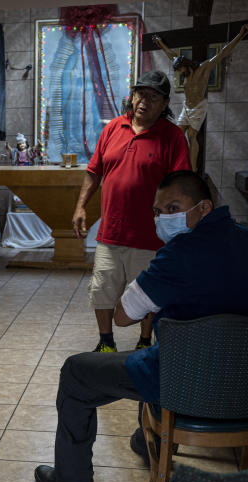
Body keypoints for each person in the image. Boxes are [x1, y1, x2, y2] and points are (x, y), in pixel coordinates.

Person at [35, 171, 248, 482]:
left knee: (77, 371)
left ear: (203, 208)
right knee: (150, 353)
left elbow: (121, 316)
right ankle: (147, 440)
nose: (163, 218)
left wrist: (153, 296)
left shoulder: (178, 254)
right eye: (159, 211)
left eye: (173, 207)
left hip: (187, 381)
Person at [72, 70, 192, 354]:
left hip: (150, 236)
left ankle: (144, 340)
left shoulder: (172, 137)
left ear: (164, 104)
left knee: (148, 293)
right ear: (132, 96)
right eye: (140, 93)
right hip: (110, 231)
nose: (143, 101)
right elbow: (93, 172)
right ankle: (106, 341)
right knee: (101, 289)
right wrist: (80, 207)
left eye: (153, 97)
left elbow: (181, 184)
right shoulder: (113, 127)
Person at [153, 23, 248, 171]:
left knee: (192, 136)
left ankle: (193, 171)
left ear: (186, 66)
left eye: (180, 70)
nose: (180, 73)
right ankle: (177, 166)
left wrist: (241, 34)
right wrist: (159, 42)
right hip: (187, 107)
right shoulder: (181, 67)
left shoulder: (204, 68)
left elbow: (223, 53)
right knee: (177, 135)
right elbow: (170, 54)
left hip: (199, 106)